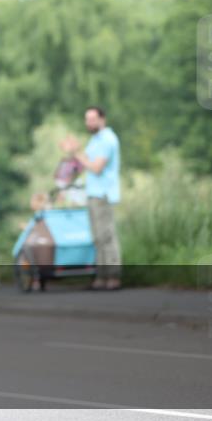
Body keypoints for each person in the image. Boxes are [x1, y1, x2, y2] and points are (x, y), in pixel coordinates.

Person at [67, 106, 121, 291]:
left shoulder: (107, 139)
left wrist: (77, 153)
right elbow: (84, 164)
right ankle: (101, 276)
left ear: (102, 119)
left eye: (92, 119)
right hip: (92, 193)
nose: (88, 123)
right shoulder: (95, 140)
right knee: (97, 237)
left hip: (103, 194)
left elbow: (96, 167)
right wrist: (74, 153)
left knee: (106, 236)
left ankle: (113, 276)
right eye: (87, 119)